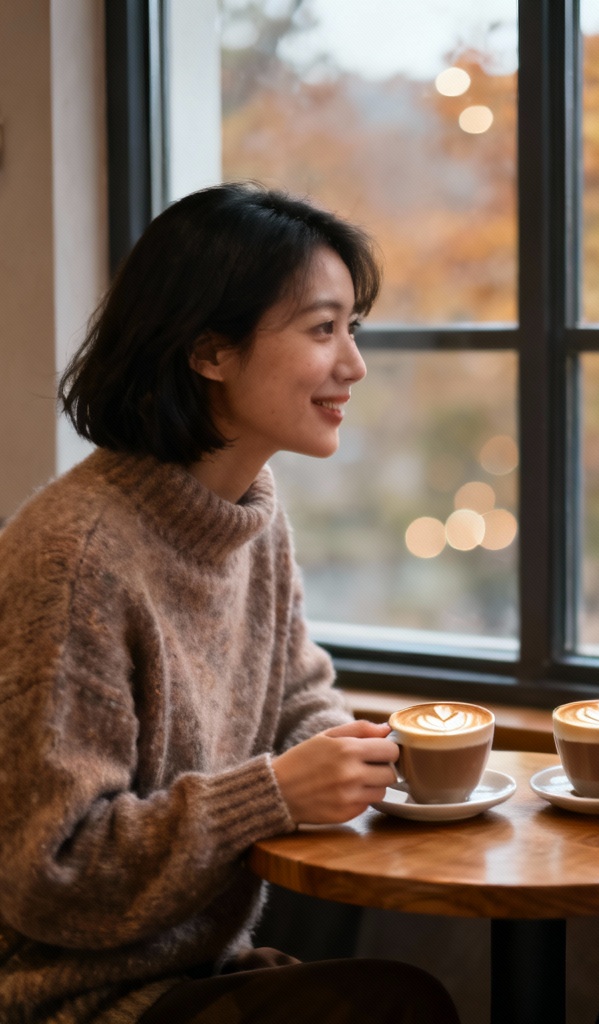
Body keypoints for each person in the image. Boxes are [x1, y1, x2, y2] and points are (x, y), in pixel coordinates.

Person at [0, 182, 460, 1024]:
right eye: (324, 330)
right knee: (400, 1005)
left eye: (351, 329)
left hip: (204, 968)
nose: (353, 364)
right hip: (76, 1000)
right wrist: (277, 793)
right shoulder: (76, 555)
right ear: (210, 351)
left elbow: (296, 691)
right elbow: (52, 871)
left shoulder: (251, 505)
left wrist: (344, 755)